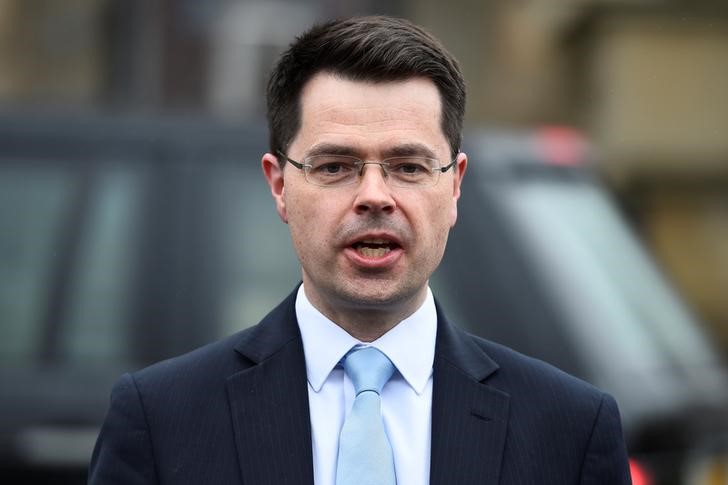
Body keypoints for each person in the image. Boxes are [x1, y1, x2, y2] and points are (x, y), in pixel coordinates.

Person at [89, 16, 631, 484]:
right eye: (335, 166)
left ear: (455, 185)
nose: (375, 196)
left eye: (409, 166)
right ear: (279, 186)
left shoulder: (569, 428)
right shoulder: (161, 419)